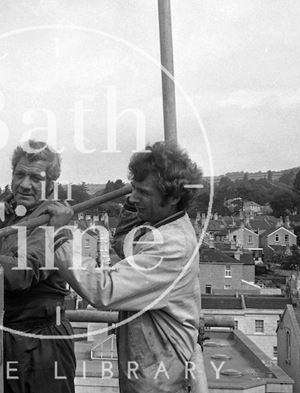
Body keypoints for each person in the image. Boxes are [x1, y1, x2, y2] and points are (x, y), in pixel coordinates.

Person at [49, 141, 208, 393]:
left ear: (175, 197)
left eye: (144, 193)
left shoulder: (172, 246)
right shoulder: (161, 227)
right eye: (133, 189)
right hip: (148, 370)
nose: (133, 198)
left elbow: (103, 289)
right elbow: (124, 243)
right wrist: (135, 199)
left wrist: (60, 235)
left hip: (160, 381)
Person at [0, 140, 76, 393]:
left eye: (36, 178)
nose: (25, 184)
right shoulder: (6, 214)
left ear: (50, 184)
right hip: (8, 337)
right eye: (20, 174)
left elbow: (21, 274)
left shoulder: (53, 223)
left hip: (42, 344)